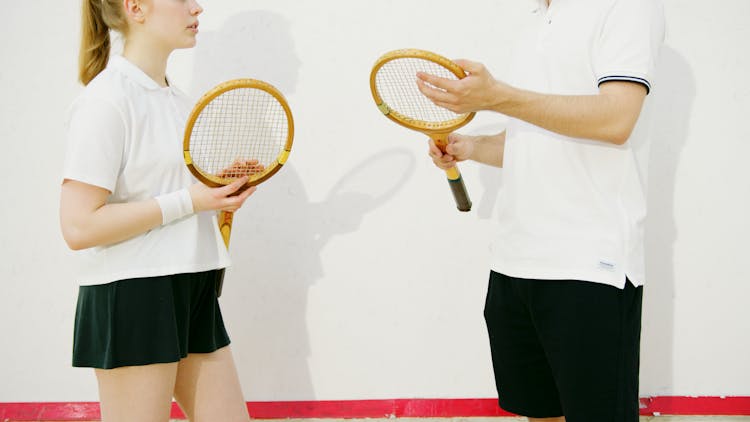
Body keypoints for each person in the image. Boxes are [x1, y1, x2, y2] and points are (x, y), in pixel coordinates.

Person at [416, 0, 665, 421]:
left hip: (588, 266)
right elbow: (533, 137)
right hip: (514, 264)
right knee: (540, 413)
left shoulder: (627, 6)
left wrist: (498, 97)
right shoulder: (534, 25)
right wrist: (472, 147)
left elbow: (616, 119)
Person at [60, 1, 255, 420]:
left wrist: (216, 192)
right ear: (135, 8)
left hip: (192, 286)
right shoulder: (106, 101)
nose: (196, 8)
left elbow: (166, 197)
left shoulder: (178, 102)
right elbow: (78, 225)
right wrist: (191, 200)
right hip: (134, 294)